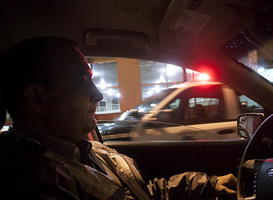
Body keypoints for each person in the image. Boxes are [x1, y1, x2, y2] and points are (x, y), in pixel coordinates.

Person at [0, 37, 237, 200]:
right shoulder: (36, 184)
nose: (99, 94)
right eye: (83, 81)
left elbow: (138, 192)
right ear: (38, 99)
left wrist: (206, 184)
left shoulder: (80, 150)